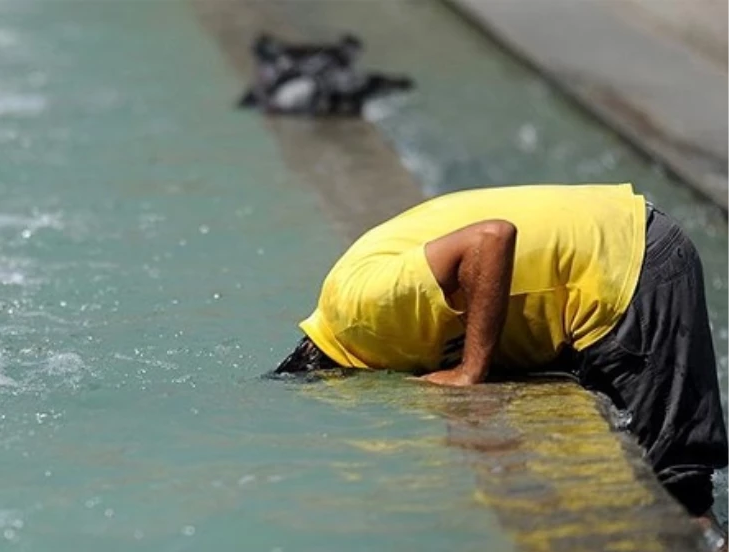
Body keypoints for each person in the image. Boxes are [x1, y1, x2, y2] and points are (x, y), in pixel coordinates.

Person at [276, 183, 729, 533]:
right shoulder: (356, 317)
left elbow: (491, 238)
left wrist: (470, 370)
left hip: (627, 266)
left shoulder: (361, 311)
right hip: (610, 255)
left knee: (679, 496)